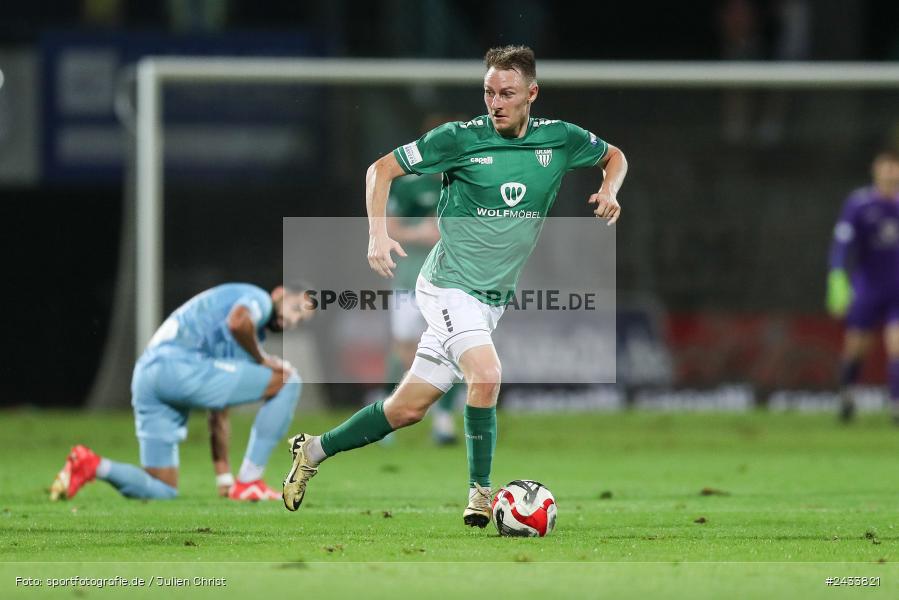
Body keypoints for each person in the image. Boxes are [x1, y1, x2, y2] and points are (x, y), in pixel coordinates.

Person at [282, 45, 627, 528]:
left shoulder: (560, 140)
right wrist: (377, 233)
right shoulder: (458, 139)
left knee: (406, 410)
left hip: (491, 299)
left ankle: (312, 450)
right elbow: (379, 170)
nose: (496, 102)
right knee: (486, 374)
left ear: (532, 93)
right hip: (446, 286)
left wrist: (609, 190)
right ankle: (482, 494)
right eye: (488, 92)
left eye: (507, 92)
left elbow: (614, 156)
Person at [50, 282, 314, 502]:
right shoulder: (257, 299)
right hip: (180, 367)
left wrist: (224, 478)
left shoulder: (229, 318)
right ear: (279, 293)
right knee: (289, 379)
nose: (293, 320)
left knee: (161, 489)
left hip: (147, 377)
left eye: (300, 319)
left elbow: (218, 410)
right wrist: (262, 359)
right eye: (295, 308)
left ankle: (91, 464)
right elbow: (238, 322)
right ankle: (251, 480)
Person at [385, 114, 463, 445]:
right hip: (408, 278)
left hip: (452, 281)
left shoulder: (465, 183)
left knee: (458, 346)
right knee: (404, 346)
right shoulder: (409, 183)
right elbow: (390, 229)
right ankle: (389, 415)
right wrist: (421, 232)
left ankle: (443, 421)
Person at [827, 150, 899, 423]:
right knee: (856, 347)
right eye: (886, 168)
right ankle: (846, 396)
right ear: (875, 171)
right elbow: (842, 242)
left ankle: (896, 405)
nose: (890, 173)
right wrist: (837, 276)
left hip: (898, 290)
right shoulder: (859, 204)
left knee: (897, 346)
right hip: (868, 287)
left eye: (895, 168)